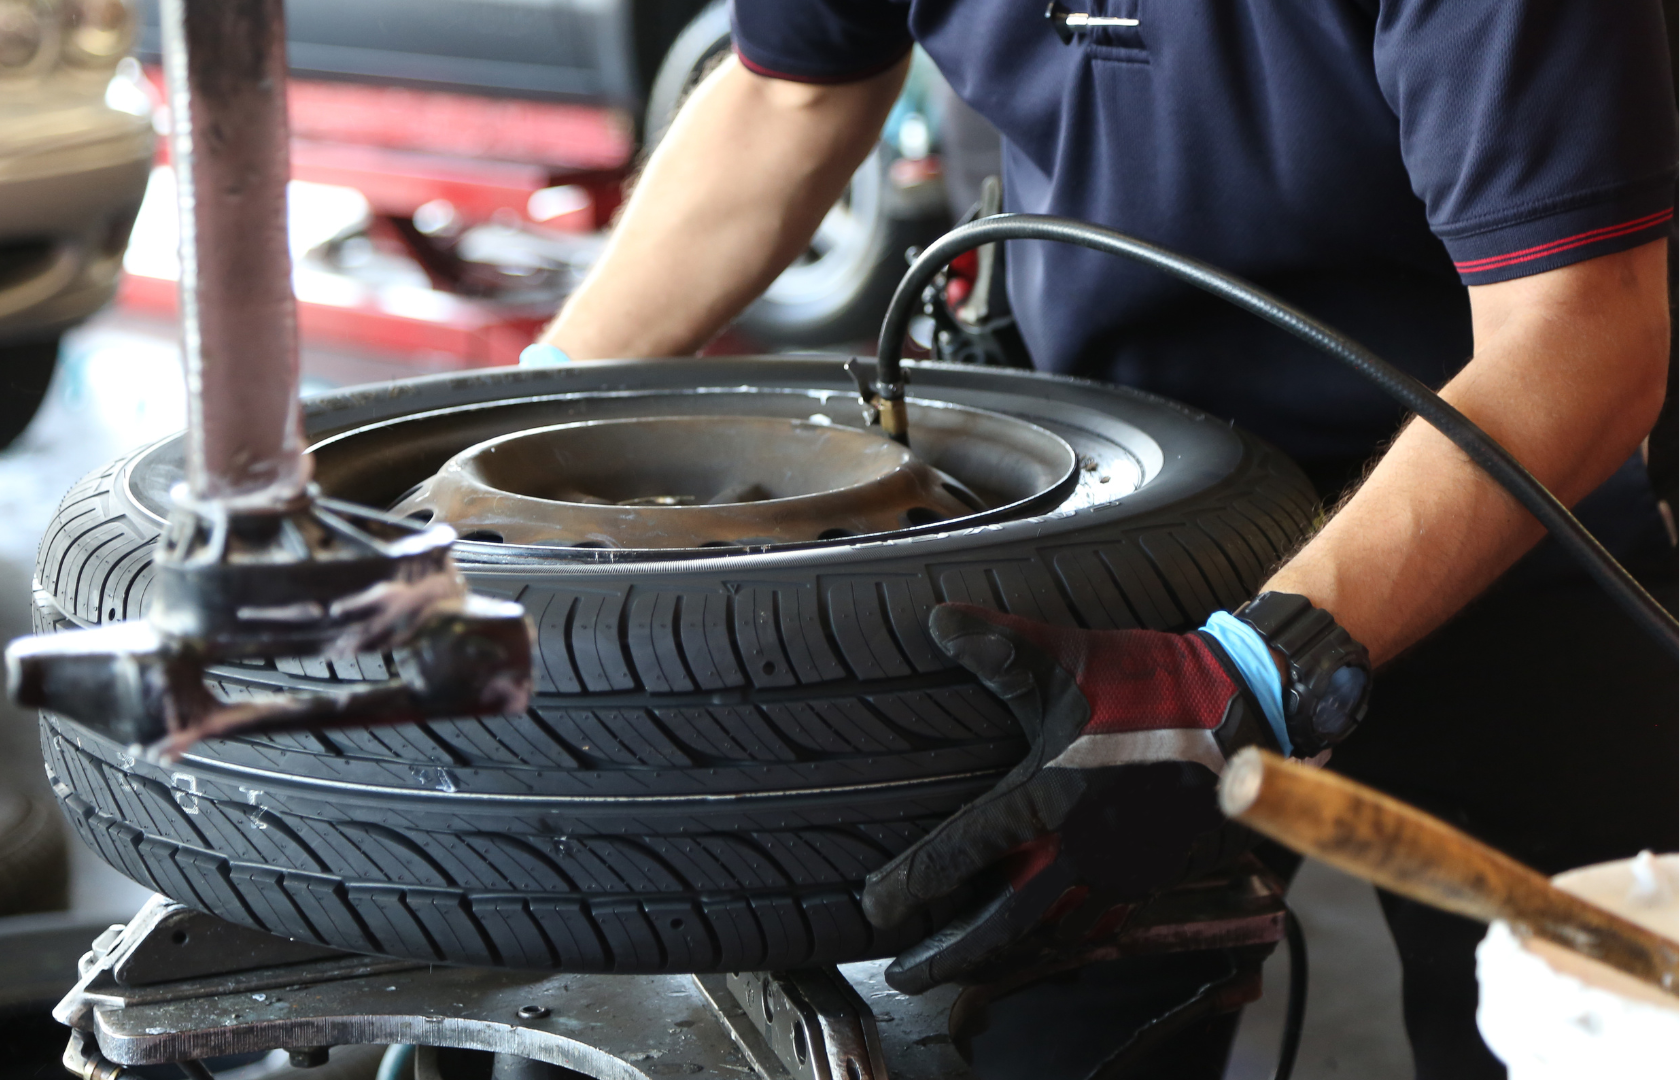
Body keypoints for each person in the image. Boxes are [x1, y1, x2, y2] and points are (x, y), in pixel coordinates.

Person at [533, 2, 1678, 1076]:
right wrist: (534, 414)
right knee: (1041, 1027)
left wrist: (1246, 671)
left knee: (1570, 1022)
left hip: (1502, 537)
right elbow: (789, 93)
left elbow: (1581, 330)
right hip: (1113, 560)